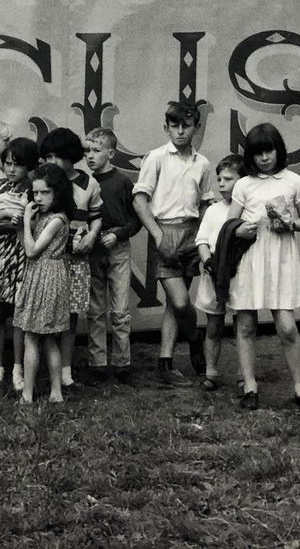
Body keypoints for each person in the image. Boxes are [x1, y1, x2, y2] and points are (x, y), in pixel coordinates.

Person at [229, 124, 300, 411]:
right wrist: (241, 230)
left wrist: (291, 223)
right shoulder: (243, 184)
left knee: (287, 327)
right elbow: (230, 224)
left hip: (281, 256)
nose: (264, 158)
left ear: (279, 150)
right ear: (250, 156)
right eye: (258, 153)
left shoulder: (295, 181)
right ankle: (250, 386)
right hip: (251, 256)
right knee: (245, 324)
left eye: (269, 151)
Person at [133, 99, 215, 387]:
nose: (181, 132)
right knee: (180, 301)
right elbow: (140, 199)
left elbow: (206, 202)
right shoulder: (156, 158)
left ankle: (165, 362)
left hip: (192, 234)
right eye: (175, 126)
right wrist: (157, 235)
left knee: (174, 304)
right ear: (166, 128)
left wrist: (206, 235)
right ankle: (194, 336)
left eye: (187, 126)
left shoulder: (202, 163)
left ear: (196, 128)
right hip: (164, 231)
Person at [40, 128, 102, 391]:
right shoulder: (43, 183)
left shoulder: (89, 184)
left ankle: (66, 372)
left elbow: (97, 216)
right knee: (47, 314)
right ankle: (44, 369)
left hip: (76, 260)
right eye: (48, 156)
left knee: (71, 316)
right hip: (50, 260)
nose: (52, 162)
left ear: (71, 156)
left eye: (58, 156)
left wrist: (93, 235)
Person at [0, 137, 35, 392]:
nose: (11, 169)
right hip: (0, 251)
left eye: (17, 165)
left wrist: (22, 222)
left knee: (20, 314)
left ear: (29, 166)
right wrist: (2, 215)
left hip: (23, 251)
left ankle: (18, 369)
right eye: (7, 163)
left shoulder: (35, 189)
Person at [85, 127, 140, 385]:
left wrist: (118, 235)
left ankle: (122, 364)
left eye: (96, 151)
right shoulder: (86, 183)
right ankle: (97, 364)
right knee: (95, 309)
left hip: (117, 248)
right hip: (93, 249)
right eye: (87, 151)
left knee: (119, 309)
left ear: (111, 153)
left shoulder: (122, 182)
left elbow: (136, 220)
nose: (90, 156)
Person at [15, 163, 73, 404]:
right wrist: (22, 225)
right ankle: (55, 392)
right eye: (35, 193)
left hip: (47, 276)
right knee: (48, 338)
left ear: (57, 193)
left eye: (44, 193)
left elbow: (31, 250)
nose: (38, 198)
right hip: (39, 274)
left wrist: (27, 220)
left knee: (32, 336)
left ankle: (28, 394)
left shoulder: (57, 219)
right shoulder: (45, 216)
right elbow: (25, 242)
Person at [192, 153, 245, 391]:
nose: (221, 184)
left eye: (228, 179)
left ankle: (245, 373)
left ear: (243, 182)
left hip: (240, 276)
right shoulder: (213, 211)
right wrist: (208, 261)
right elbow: (202, 239)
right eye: (219, 179)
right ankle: (211, 372)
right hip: (214, 275)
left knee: (243, 326)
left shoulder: (249, 211)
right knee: (213, 325)